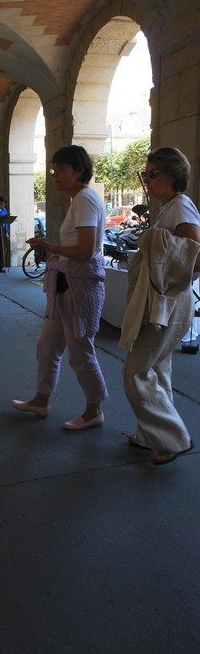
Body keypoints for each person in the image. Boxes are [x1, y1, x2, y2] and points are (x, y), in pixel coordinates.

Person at [12, 145, 108, 430]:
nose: (54, 174)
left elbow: (86, 250)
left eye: (61, 168)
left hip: (80, 286)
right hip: (66, 286)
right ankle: (41, 400)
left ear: (78, 170)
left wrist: (47, 246)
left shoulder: (85, 200)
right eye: (54, 168)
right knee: (47, 347)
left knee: (80, 352)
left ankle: (94, 410)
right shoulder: (78, 200)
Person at [119, 147, 200, 465]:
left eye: (153, 174)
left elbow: (195, 256)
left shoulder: (181, 209)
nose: (147, 180)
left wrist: (160, 260)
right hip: (166, 302)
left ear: (172, 176)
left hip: (169, 303)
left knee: (135, 371)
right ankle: (151, 436)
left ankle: (174, 439)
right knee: (155, 368)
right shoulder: (170, 207)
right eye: (146, 174)